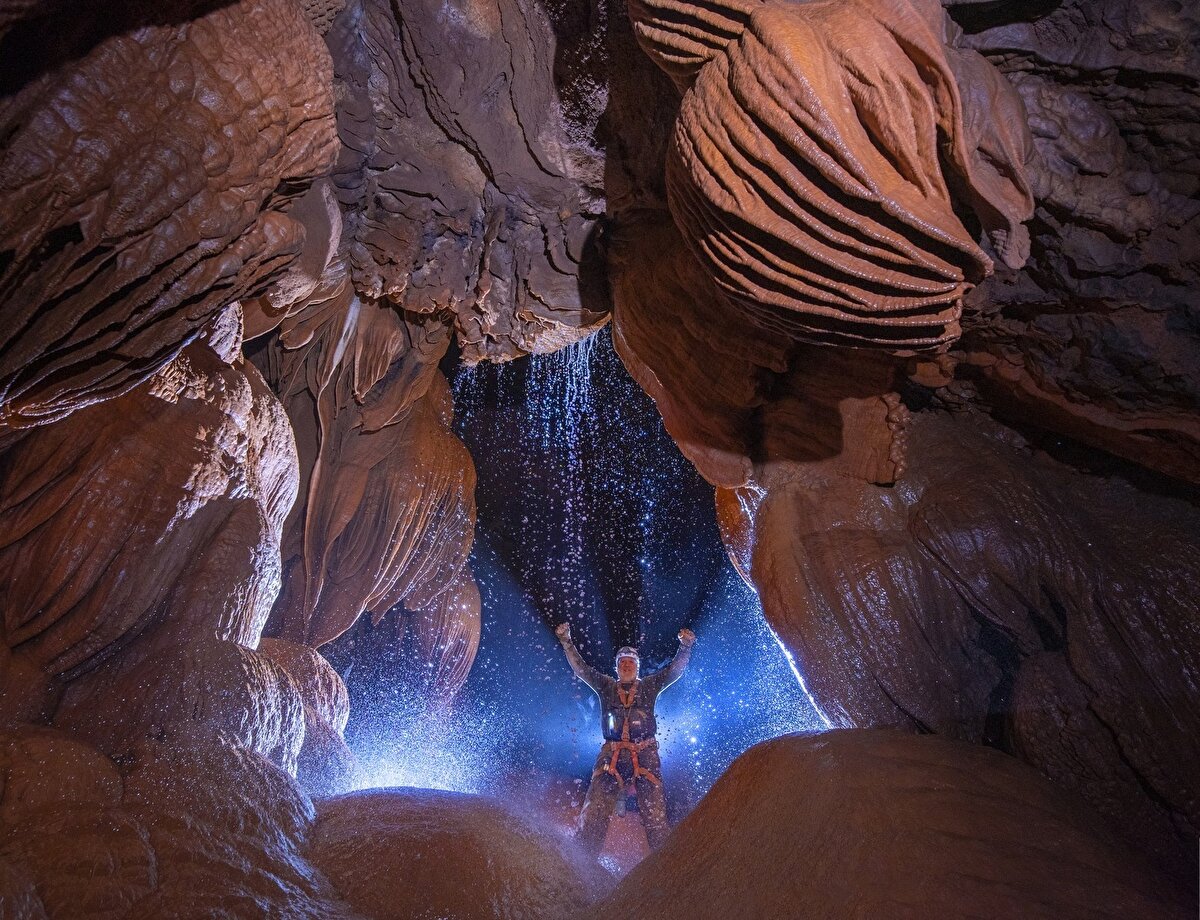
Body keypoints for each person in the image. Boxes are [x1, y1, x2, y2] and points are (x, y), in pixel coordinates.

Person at [555, 621, 696, 857]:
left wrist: (685, 648)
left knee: (655, 816)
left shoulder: (649, 686)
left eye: (631, 662)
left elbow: (674, 672)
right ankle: (582, 863)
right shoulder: (606, 686)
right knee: (595, 810)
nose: (627, 665)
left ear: (637, 668)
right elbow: (581, 670)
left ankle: (668, 866)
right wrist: (567, 641)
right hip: (612, 755)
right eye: (623, 663)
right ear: (617, 668)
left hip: (645, 754)